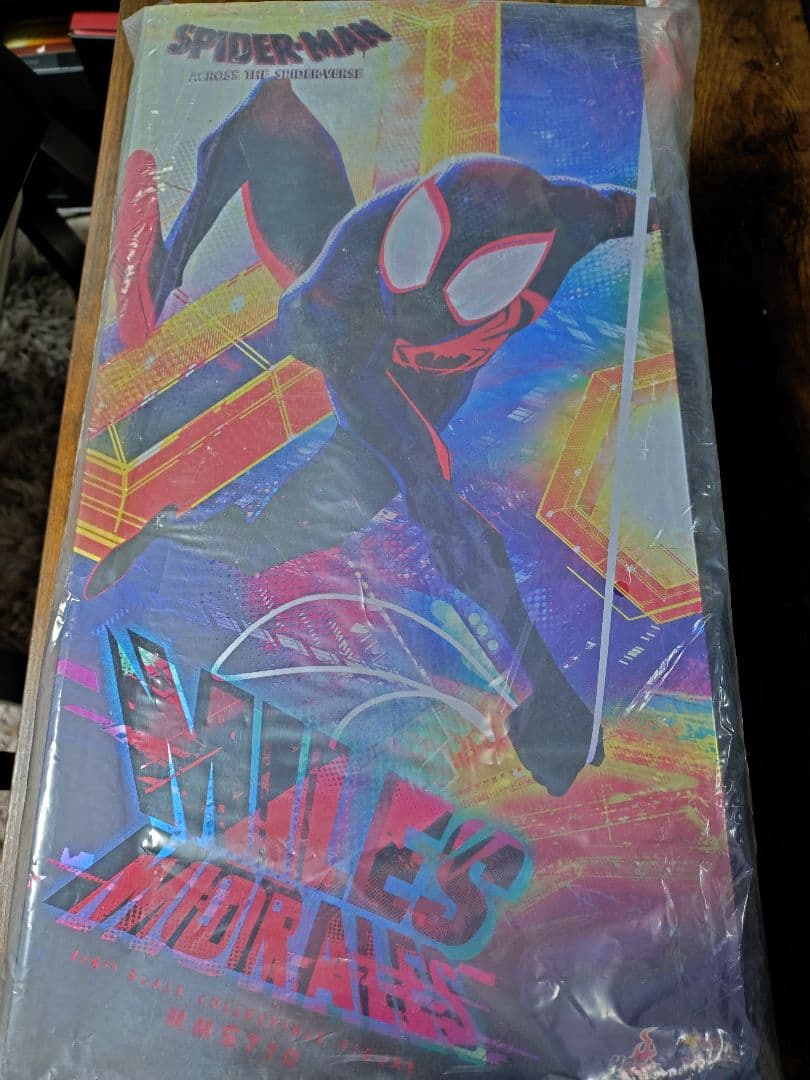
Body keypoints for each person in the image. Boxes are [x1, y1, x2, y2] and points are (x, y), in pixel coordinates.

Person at [89, 76, 653, 796]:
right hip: (360, 359)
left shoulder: (574, 219)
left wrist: (551, 697)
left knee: (266, 542)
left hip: (422, 388)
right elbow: (438, 510)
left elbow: (640, 211)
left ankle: (167, 528)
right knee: (269, 113)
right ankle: (156, 278)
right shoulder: (338, 310)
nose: (404, 318)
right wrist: (552, 693)